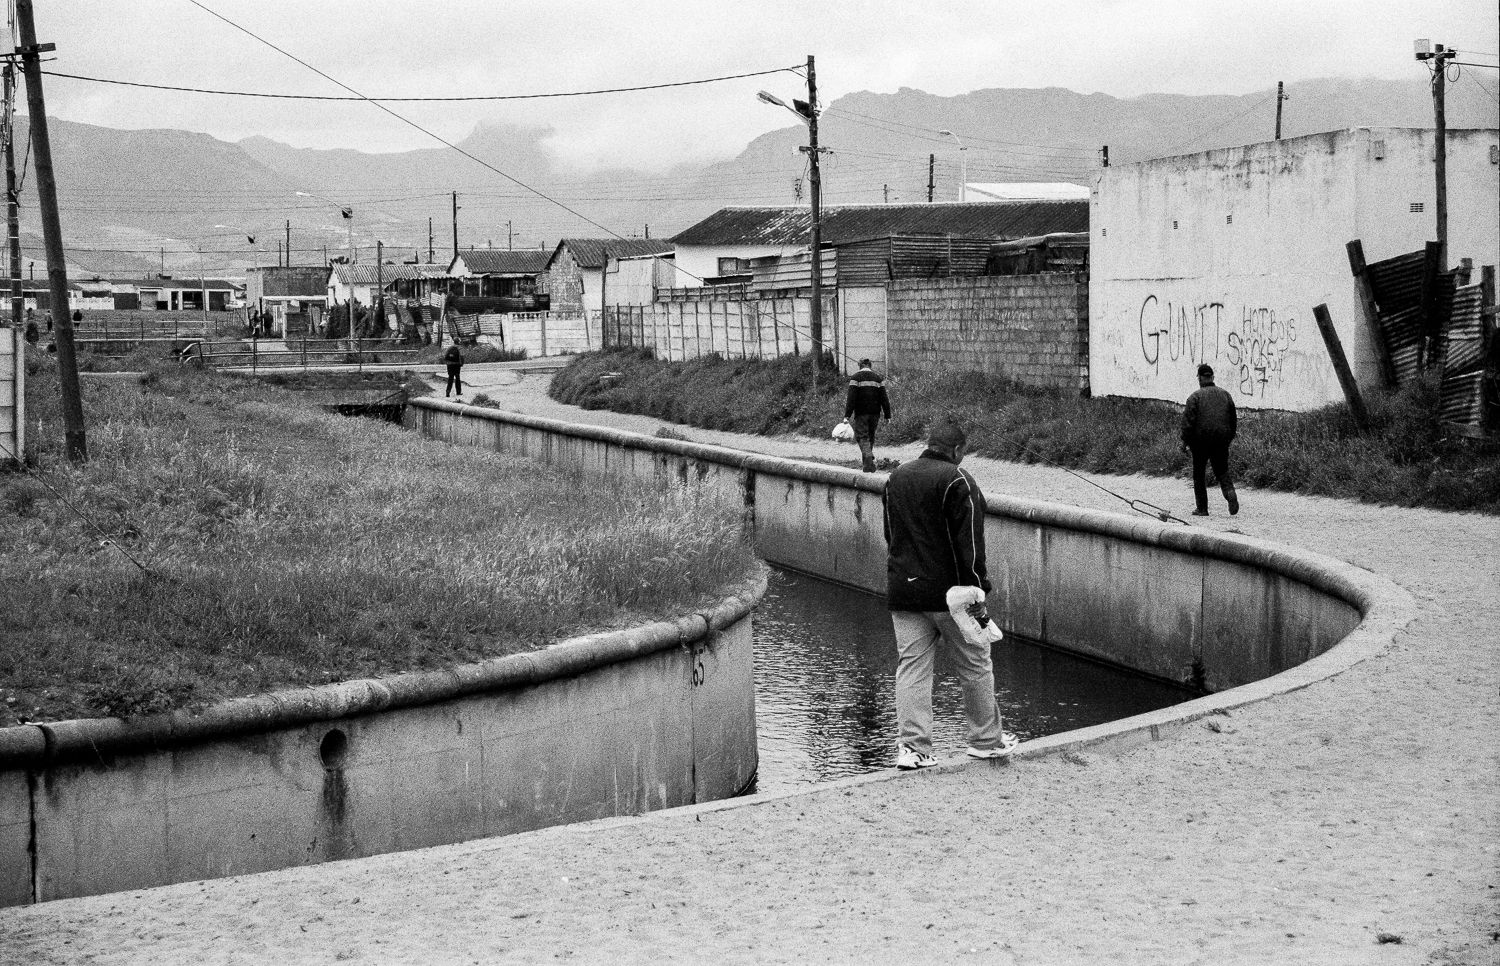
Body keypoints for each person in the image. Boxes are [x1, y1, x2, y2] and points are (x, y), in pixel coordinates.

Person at [882, 418, 1015, 770]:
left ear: (929, 443)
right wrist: (979, 592)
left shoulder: (897, 477)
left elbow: (890, 534)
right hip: (952, 596)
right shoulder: (958, 480)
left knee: (911, 669)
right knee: (974, 664)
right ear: (956, 451)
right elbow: (970, 544)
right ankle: (985, 741)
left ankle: (914, 749)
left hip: (904, 592)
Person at [1181, 363, 1239, 516]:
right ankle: (1230, 492)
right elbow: (1233, 420)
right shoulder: (1226, 395)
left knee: (1199, 474)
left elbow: (1188, 423)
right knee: (1222, 470)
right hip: (1221, 439)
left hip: (1200, 441)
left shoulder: (1194, 397)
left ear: (1200, 378)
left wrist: (1184, 442)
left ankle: (1202, 509)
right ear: (1212, 377)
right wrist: (1228, 438)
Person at [844, 357, 892, 472]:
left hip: (861, 413)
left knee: (862, 437)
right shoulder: (877, 378)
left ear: (859, 365)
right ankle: (867, 466)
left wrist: (847, 415)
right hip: (875, 414)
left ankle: (868, 457)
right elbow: (884, 398)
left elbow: (851, 399)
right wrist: (887, 415)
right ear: (870, 365)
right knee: (870, 437)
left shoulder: (855, 378)